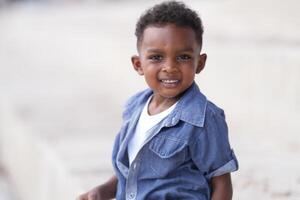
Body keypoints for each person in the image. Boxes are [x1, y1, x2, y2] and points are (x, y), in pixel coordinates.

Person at [77, 1, 238, 200]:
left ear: (200, 63)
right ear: (138, 64)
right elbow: (134, 172)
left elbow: (221, 183)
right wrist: (104, 190)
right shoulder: (133, 108)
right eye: (156, 57)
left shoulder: (205, 118)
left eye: (183, 57)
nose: (170, 67)